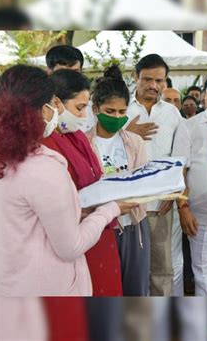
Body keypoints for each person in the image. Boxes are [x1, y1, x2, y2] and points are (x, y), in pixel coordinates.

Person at [0, 65, 135, 296]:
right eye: (53, 104)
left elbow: (21, 217)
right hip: (47, 290)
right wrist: (111, 209)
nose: (56, 112)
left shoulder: (5, 157)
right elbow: (71, 247)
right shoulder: (44, 167)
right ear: (43, 110)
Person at [41, 69, 125, 296]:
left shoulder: (75, 134)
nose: (84, 115)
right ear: (56, 103)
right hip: (72, 237)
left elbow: (94, 177)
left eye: (87, 107)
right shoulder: (43, 144)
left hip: (99, 231)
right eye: (80, 107)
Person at [86, 65, 151, 296]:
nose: (116, 117)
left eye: (122, 112)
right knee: (105, 287)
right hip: (101, 225)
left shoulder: (134, 142)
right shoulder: (84, 144)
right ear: (95, 109)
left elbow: (144, 180)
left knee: (136, 287)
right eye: (110, 111)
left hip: (134, 223)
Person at [125, 54, 184, 296]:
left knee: (161, 269)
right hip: (126, 205)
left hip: (160, 204)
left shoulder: (172, 113)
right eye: (147, 79)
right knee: (130, 269)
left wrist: (172, 195)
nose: (153, 85)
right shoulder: (122, 110)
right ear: (135, 78)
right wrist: (126, 131)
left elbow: (180, 157)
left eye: (159, 80)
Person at [172, 75, 207, 296]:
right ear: (204, 96)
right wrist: (184, 208)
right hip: (200, 214)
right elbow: (180, 170)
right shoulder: (189, 126)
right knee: (203, 274)